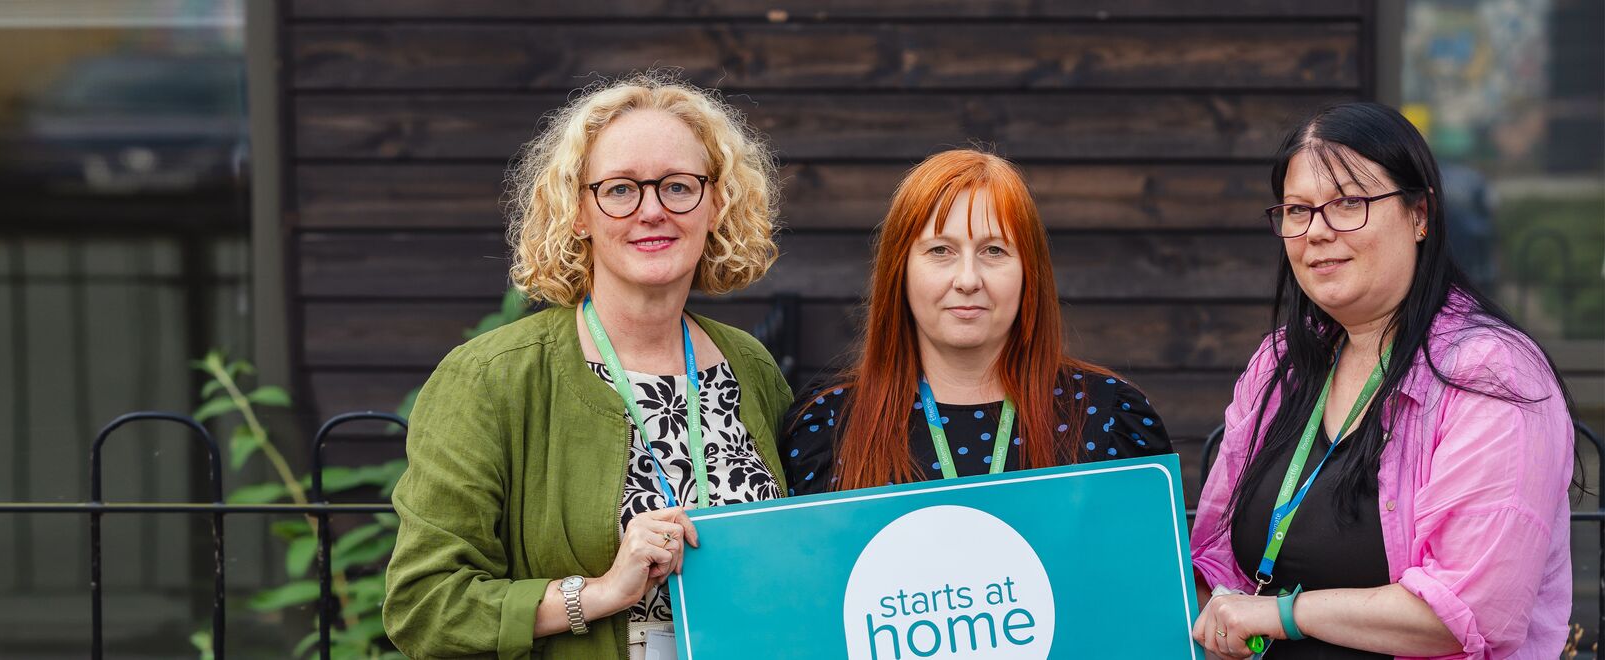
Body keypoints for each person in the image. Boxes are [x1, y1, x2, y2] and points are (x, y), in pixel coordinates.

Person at [381, 73, 792, 660]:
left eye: (678, 186)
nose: (652, 210)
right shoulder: (491, 378)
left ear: (717, 203)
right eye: (620, 189)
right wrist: (598, 594)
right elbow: (424, 607)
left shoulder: (749, 367)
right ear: (577, 210)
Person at [1189, 102, 1576, 658]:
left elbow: (1468, 611)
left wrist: (1282, 614)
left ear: (1421, 215)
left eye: (1349, 203)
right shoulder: (1282, 364)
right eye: (1298, 210)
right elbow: (1217, 559)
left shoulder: (1490, 373)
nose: (1316, 232)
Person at [781, 148, 1172, 494]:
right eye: (940, 250)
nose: (968, 279)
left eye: (994, 251)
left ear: (1029, 272)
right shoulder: (829, 424)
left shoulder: (1109, 417)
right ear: (899, 271)